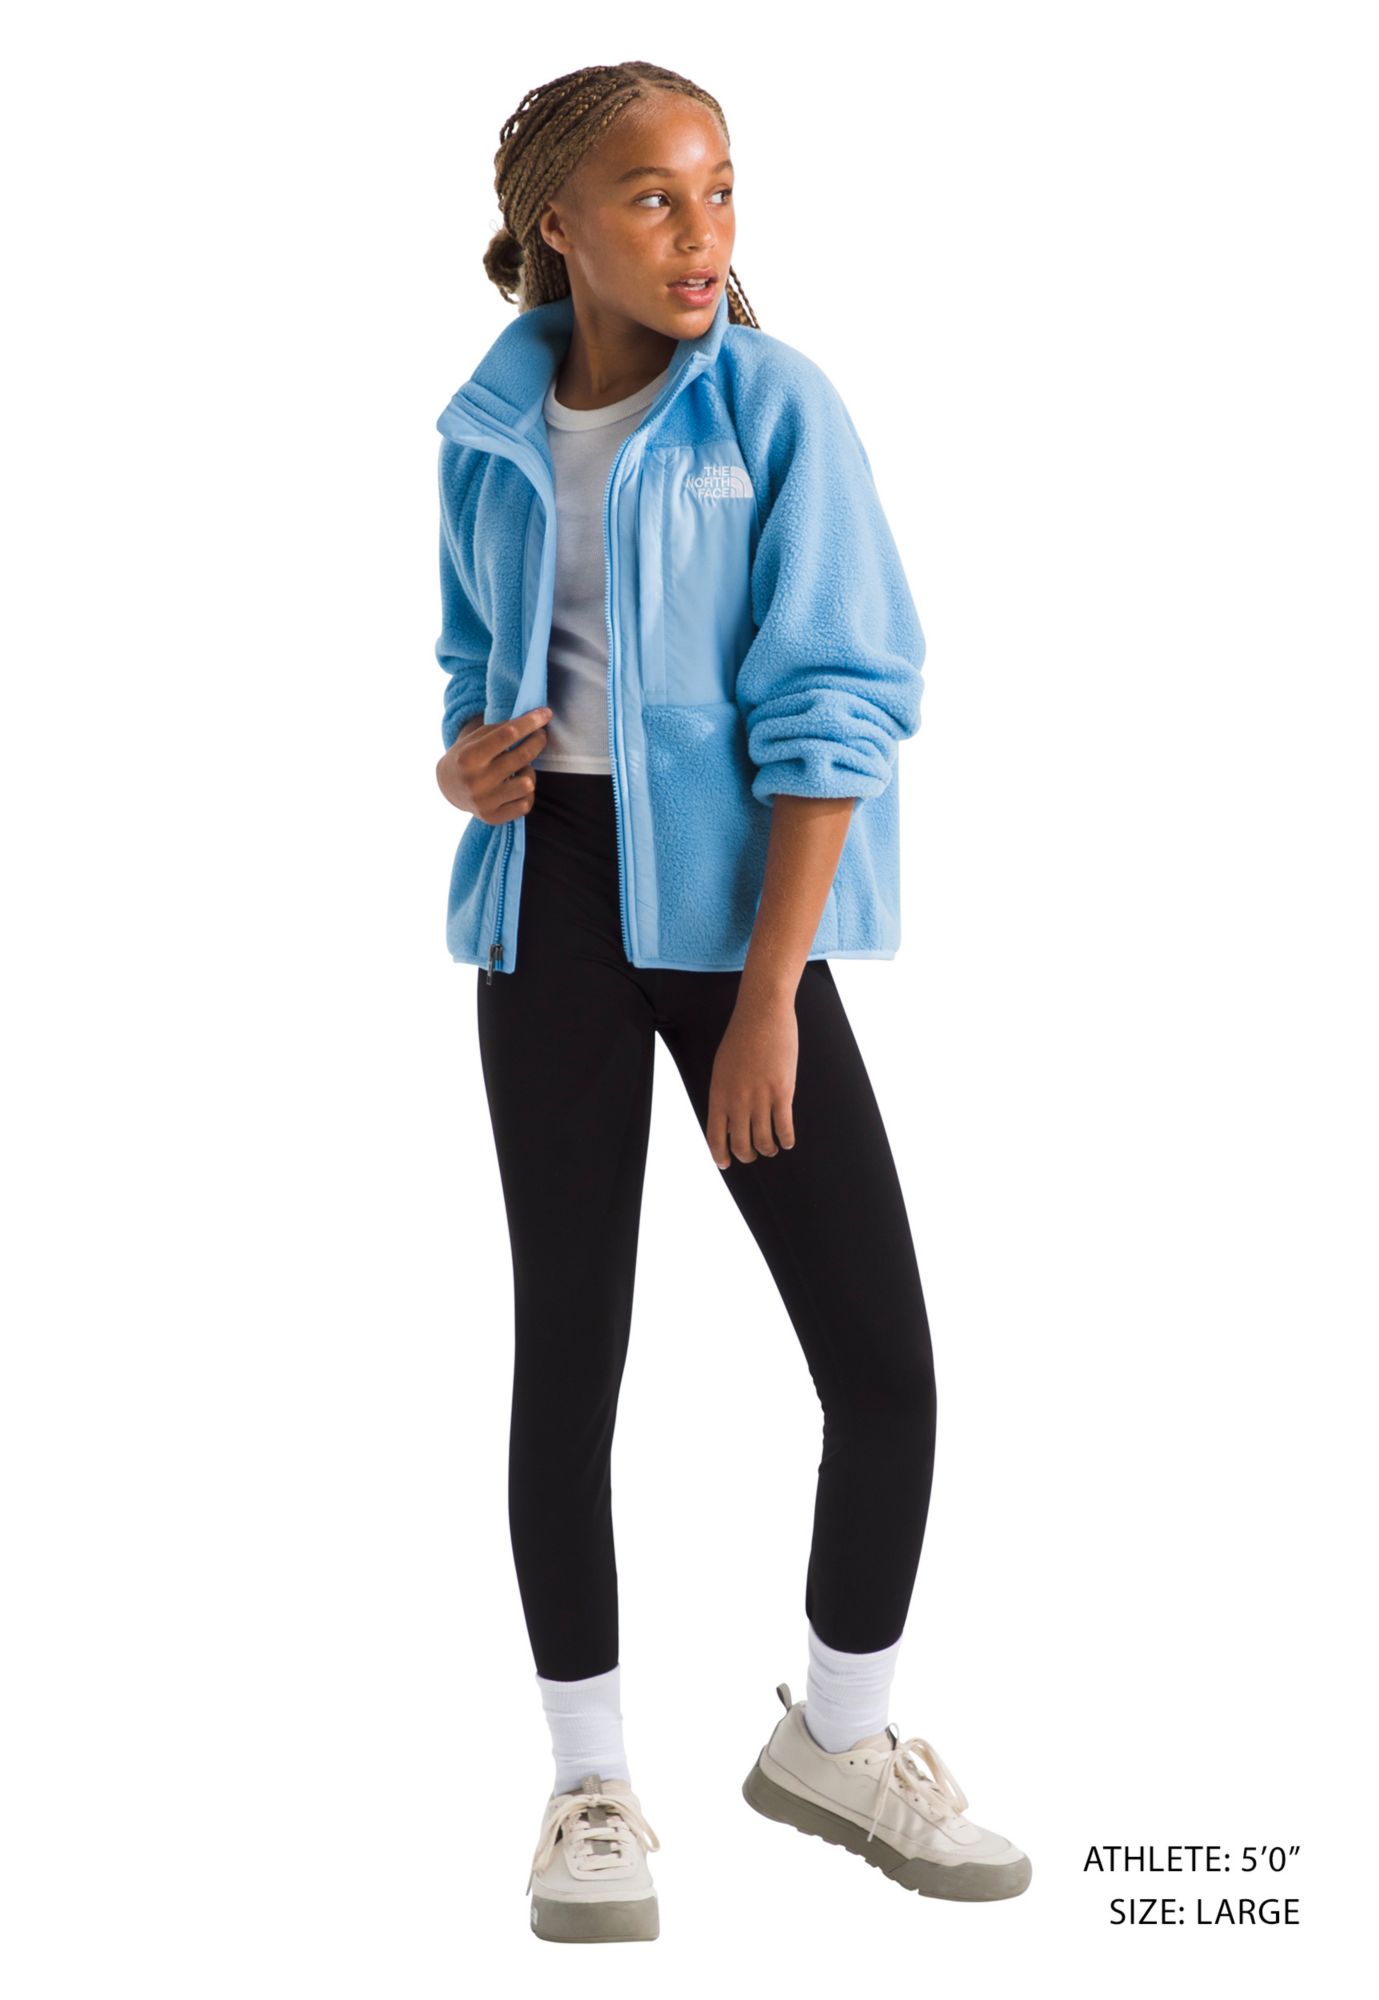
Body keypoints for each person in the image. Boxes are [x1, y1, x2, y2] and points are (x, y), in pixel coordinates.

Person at [433, 60, 1030, 1943]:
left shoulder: (777, 406)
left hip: (735, 919)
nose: (702, 233)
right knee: (569, 1351)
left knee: (882, 1364)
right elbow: (469, 662)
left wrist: (771, 992)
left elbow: (841, 693)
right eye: (654, 198)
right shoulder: (488, 422)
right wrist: (462, 764)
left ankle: (838, 1738)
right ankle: (589, 1784)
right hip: (547, 910)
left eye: (719, 190)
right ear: (559, 224)